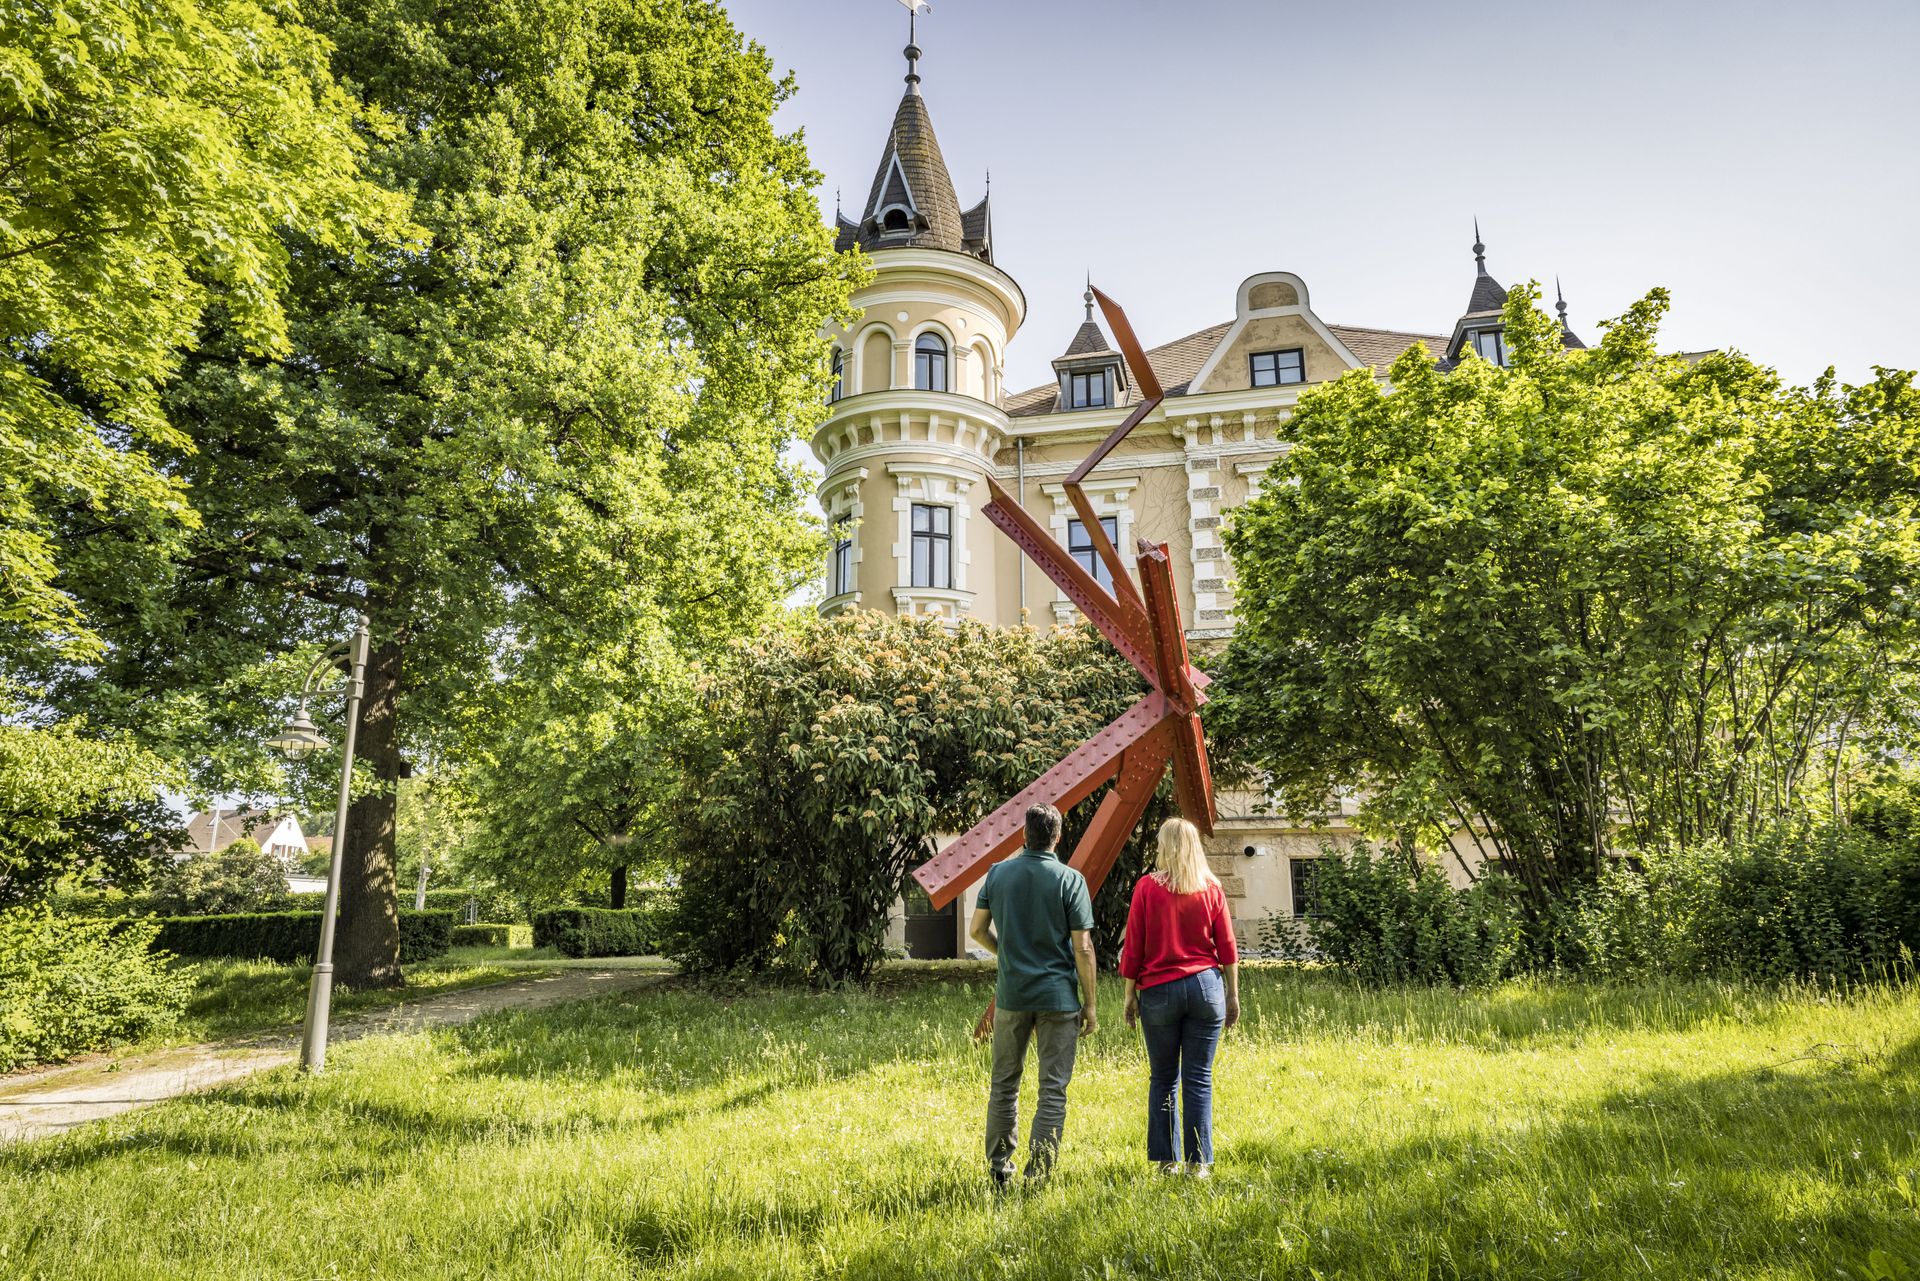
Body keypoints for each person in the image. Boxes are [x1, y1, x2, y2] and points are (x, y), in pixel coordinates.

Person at [969, 802, 1098, 1186]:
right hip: (1058, 999)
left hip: (1012, 996)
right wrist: (1090, 1004)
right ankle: (1039, 1173)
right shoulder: (1070, 880)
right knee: (1052, 1087)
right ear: (1057, 837)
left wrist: (1006, 952)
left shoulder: (998, 875)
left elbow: (976, 931)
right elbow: (1084, 948)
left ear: (1024, 835)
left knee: (1004, 1083)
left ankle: (999, 1169)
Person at [1119, 816, 1240, 1177]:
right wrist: (1232, 995)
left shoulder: (1147, 887)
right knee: (1199, 1077)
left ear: (1164, 846)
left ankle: (1168, 1161)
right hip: (1206, 987)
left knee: (1164, 1076)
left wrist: (1129, 994)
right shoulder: (1211, 887)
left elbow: (1134, 945)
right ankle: (1198, 1164)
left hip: (1159, 991)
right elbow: (1228, 947)